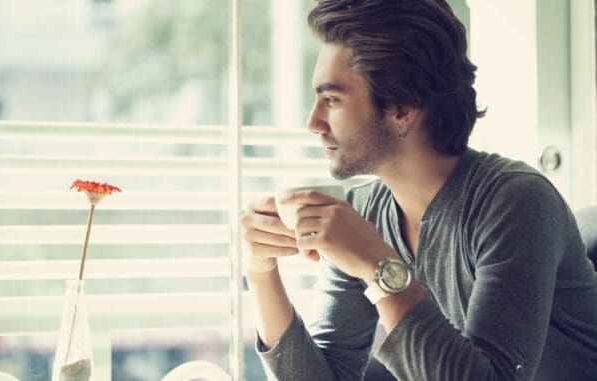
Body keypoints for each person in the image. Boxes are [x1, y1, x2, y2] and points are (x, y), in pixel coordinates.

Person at [239, 0, 597, 379]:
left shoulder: (517, 202)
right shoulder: (363, 213)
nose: (313, 122)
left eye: (332, 100)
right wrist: (260, 271)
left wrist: (377, 265)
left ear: (403, 108)